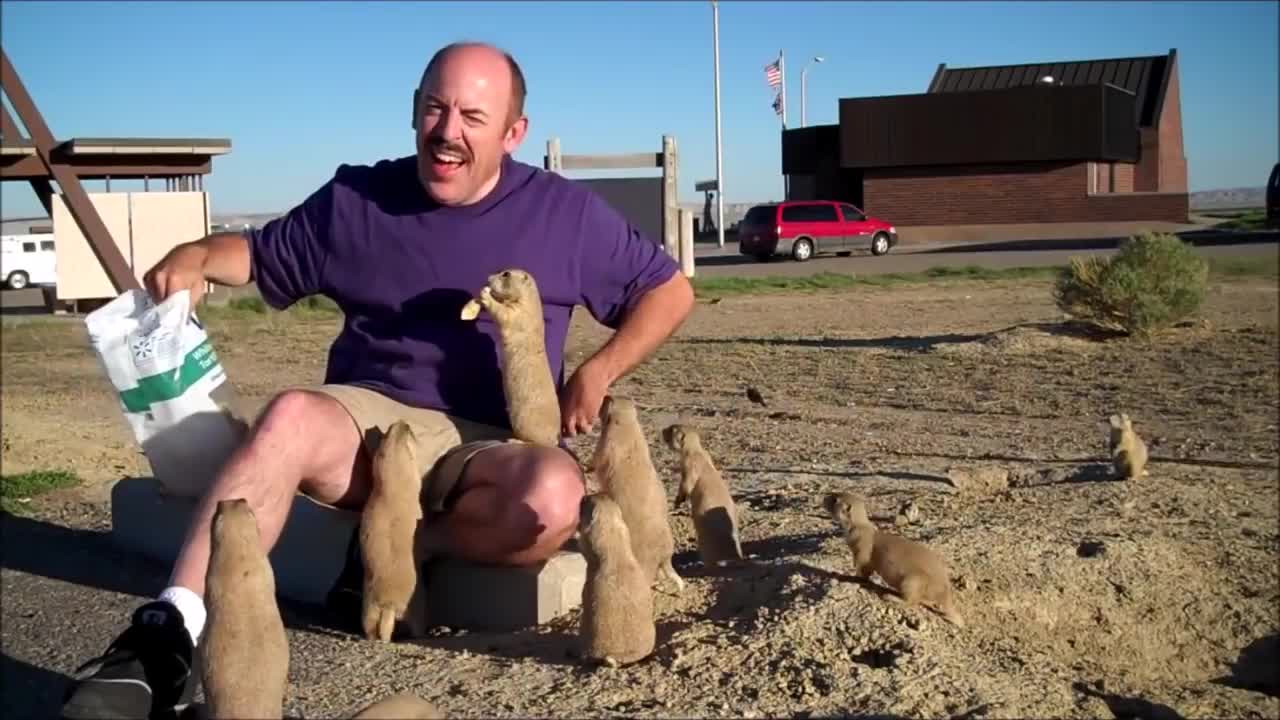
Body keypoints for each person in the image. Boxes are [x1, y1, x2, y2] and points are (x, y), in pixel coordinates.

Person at [61, 40, 694, 720]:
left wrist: (599, 369)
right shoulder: (358, 201)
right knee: (289, 417)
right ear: (415, 112)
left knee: (553, 498)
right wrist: (196, 254)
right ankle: (167, 635)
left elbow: (668, 291)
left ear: (513, 134)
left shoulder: (563, 216)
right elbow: (255, 255)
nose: (447, 132)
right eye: (434, 108)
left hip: (489, 440)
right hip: (367, 421)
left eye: (472, 117)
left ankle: (402, 546)